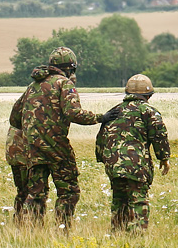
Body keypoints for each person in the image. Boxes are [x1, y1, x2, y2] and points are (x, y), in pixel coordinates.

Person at [9, 46, 117, 228]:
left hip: (33, 149)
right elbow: (73, 113)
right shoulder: (64, 83)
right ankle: (62, 228)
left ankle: (31, 232)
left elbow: (14, 117)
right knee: (68, 191)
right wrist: (101, 118)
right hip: (57, 147)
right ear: (71, 68)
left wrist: (34, 131)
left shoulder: (33, 85)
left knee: (36, 193)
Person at [95, 74, 171, 232]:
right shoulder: (149, 111)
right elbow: (159, 136)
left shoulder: (114, 111)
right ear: (148, 95)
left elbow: (101, 138)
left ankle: (117, 235)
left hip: (114, 166)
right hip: (136, 166)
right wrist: (164, 158)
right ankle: (136, 238)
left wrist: (105, 160)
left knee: (119, 201)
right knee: (138, 202)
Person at [4, 124, 28, 222]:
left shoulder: (17, 111)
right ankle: (25, 221)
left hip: (14, 152)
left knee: (22, 191)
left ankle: (19, 220)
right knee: (28, 190)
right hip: (22, 154)